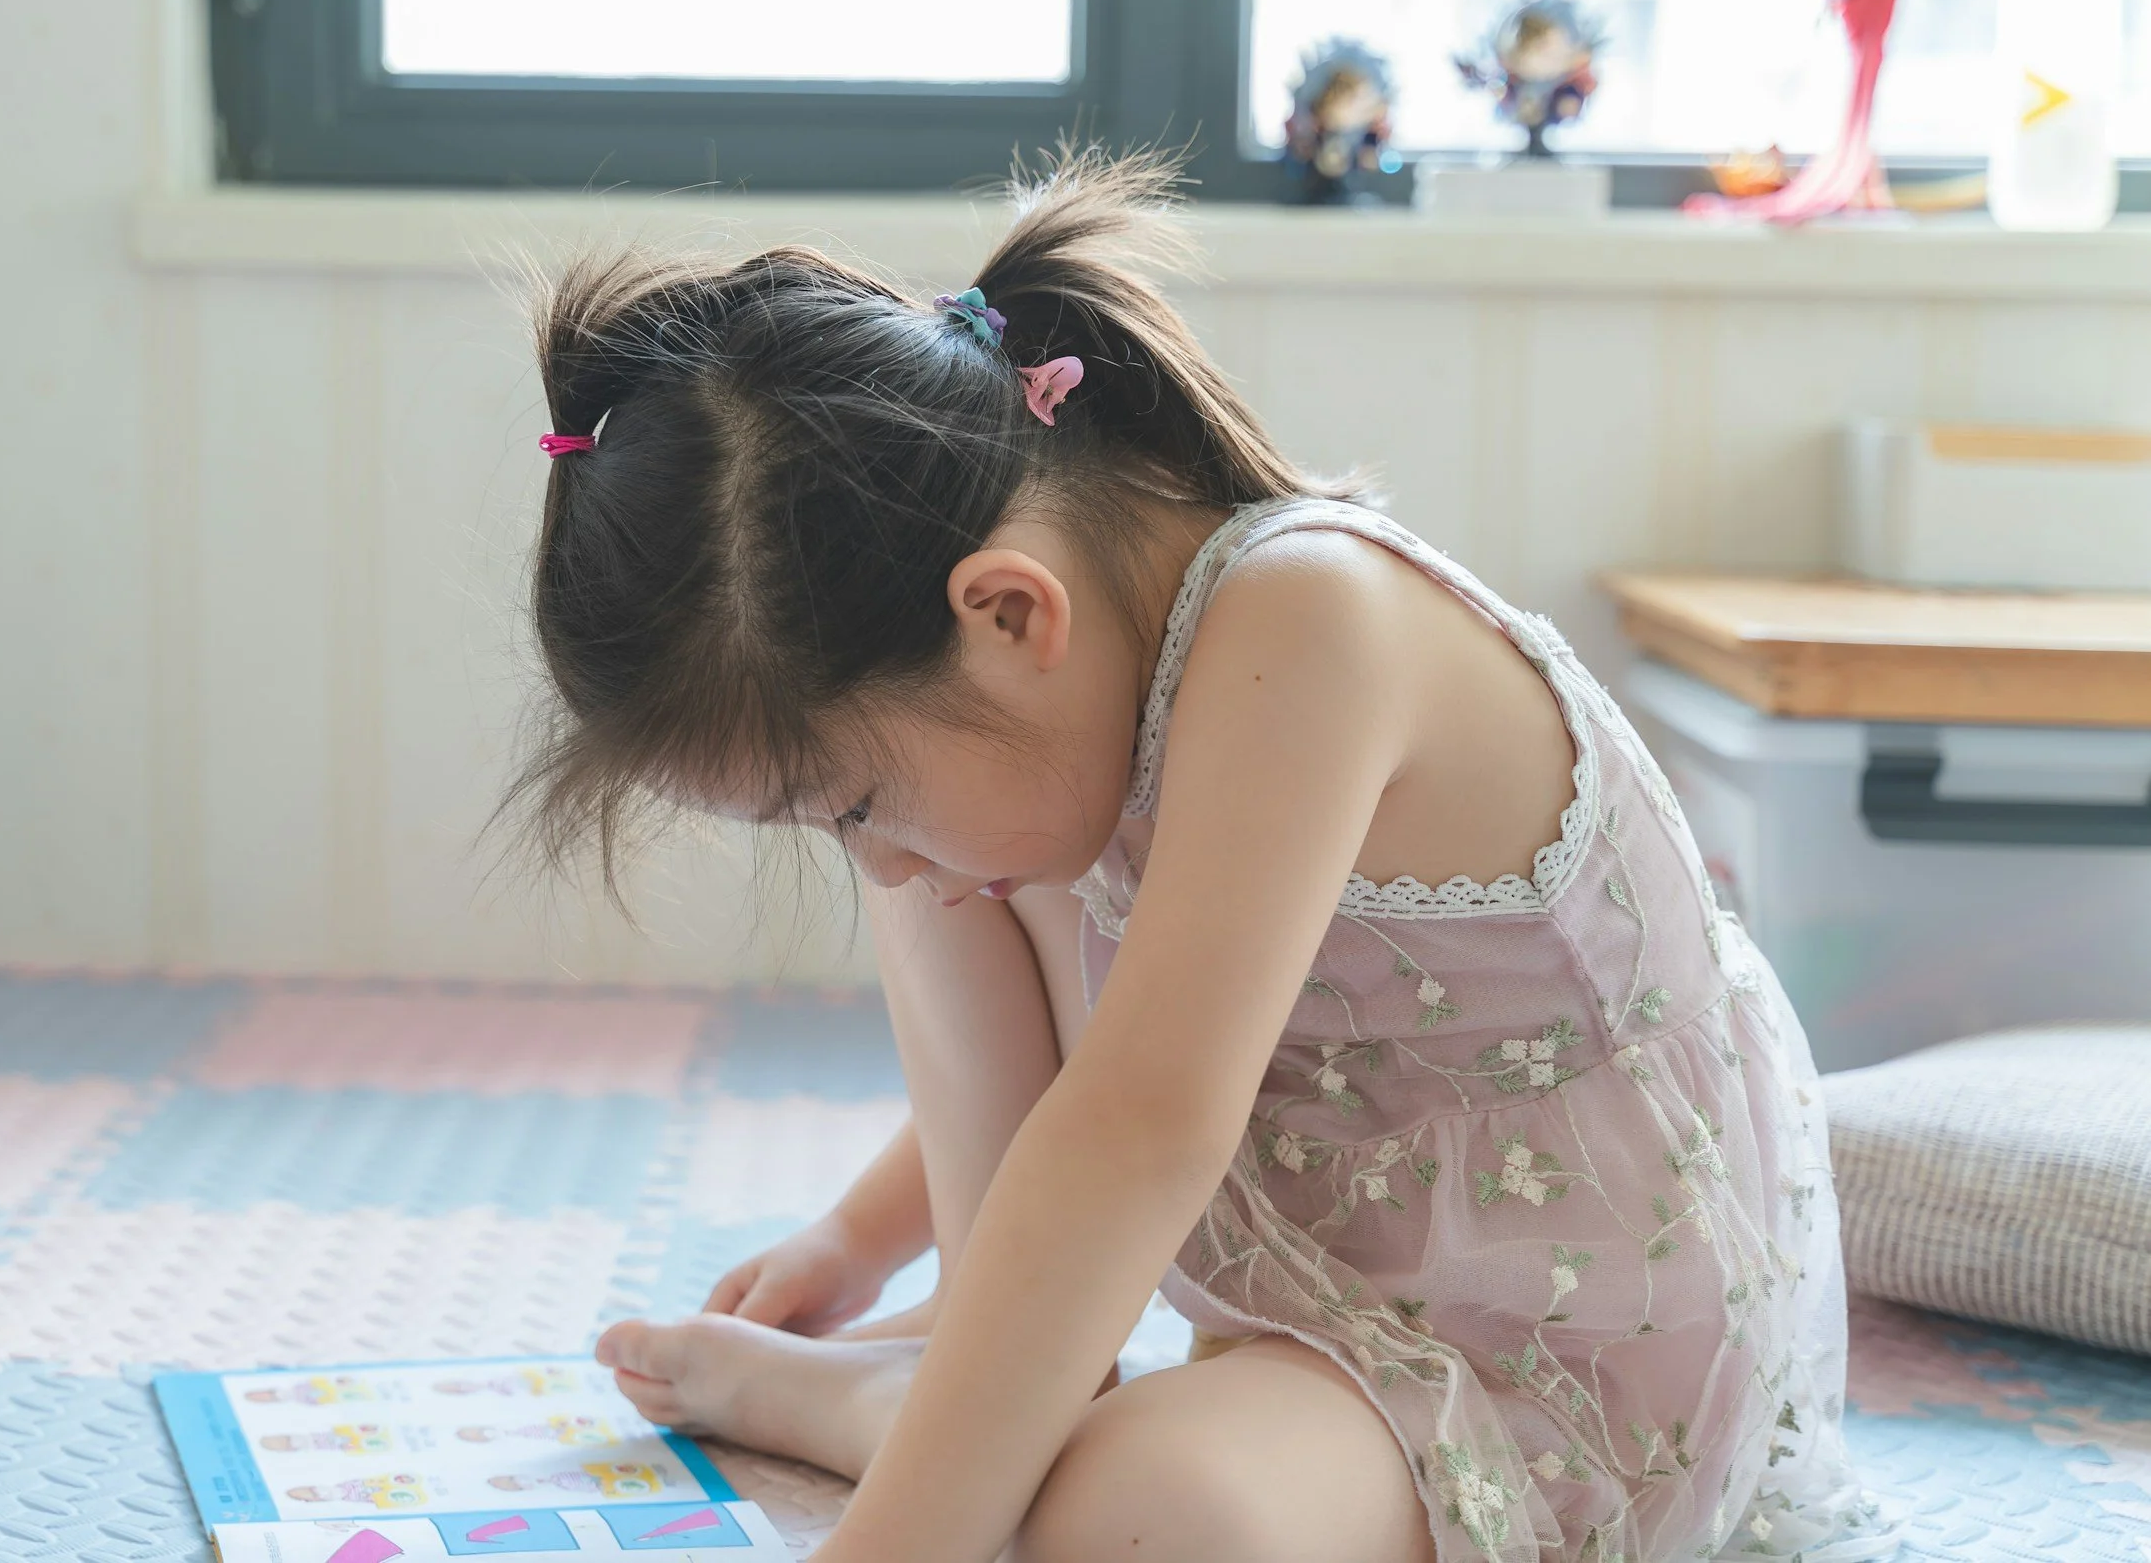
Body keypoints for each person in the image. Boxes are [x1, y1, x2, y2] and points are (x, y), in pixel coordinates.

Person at [508, 150, 1892, 1563]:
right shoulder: (1066, 707)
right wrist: (864, 1244)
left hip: (1555, 1358)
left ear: (1008, 611)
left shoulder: (1310, 622)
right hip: (1325, 1297)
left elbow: (1134, 1121)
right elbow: (1119, 1060)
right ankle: (971, 1392)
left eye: (848, 805)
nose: (879, 867)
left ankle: (953, 1417)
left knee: (1137, 1514)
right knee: (963, 861)